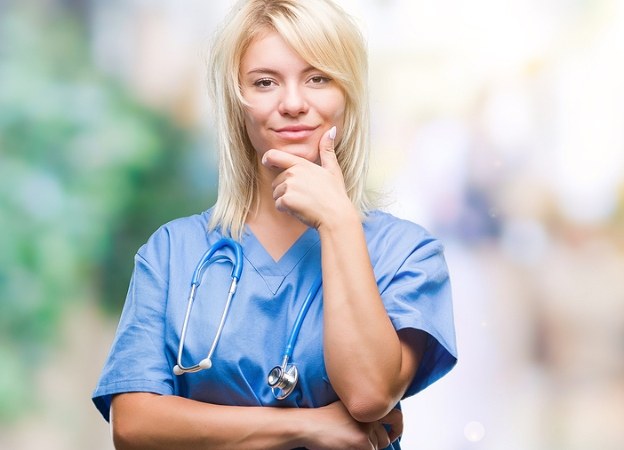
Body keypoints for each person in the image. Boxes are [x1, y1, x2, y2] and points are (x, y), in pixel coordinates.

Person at [91, 0, 458, 448]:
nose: (292, 103)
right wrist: (306, 426)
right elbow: (133, 425)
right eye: (264, 82)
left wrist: (338, 221)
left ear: (349, 94)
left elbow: (368, 396)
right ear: (236, 101)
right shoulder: (171, 252)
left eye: (318, 78)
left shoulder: (407, 254)